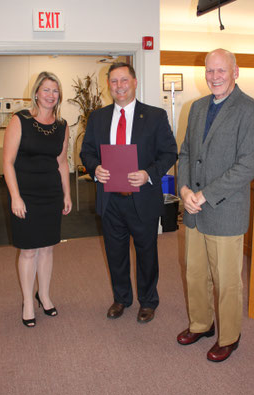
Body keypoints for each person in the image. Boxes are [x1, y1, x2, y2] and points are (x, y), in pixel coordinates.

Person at [177, 49, 254, 362]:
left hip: (225, 210)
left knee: (227, 282)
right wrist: (184, 189)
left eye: (220, 71)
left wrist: (205, 195)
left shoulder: (249, 109)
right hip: (195, 210)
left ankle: (229, 337)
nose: (214, 77)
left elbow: (247, 165)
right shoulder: (196, 107)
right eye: (209, 71)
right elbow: (185, 153)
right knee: (195, 274)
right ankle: (201, 323)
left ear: (235, 71)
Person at [81, 62, 177, 323]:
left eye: (124, 80)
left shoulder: (155, 116)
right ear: (108, 85)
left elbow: (170, 152)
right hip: (111, 199)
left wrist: (148, 174)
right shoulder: (98, 118)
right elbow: (87, 151)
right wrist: (95, 167)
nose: (119, 86)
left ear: (135, 82)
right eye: (114, 81)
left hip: (142, 198)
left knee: (147, 253)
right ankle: (121, 298)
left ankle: (148, 301)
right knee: (115, 252)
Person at [3, 71, 71, 328]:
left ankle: (43, 295)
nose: (51, 95)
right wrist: (16, 197)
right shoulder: (20, 120)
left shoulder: (62, 125)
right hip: (26, 195)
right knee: (29, 250)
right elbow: (7, 163)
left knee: (47, 248)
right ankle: (28, 302)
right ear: (36, 92)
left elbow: (62, 162)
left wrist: (67, 194)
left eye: (55, 90)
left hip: (51, 194)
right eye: (46, 90)